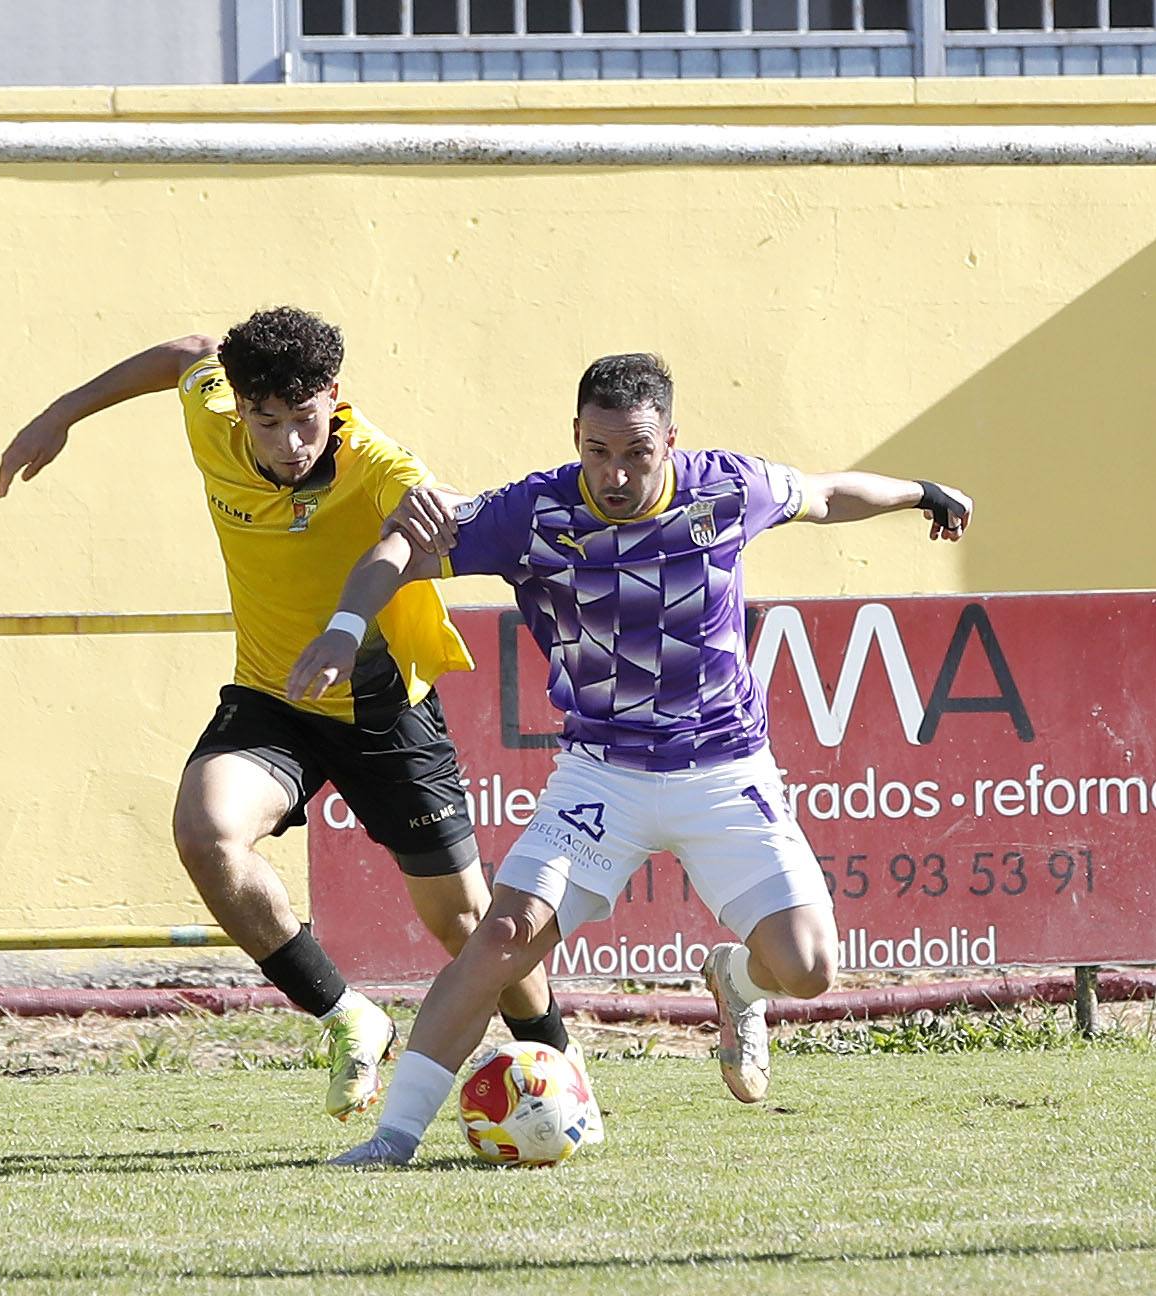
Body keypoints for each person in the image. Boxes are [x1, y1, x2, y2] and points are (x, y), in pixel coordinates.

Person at [288, 351, 973, 1165]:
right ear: (576, 437)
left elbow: (825, 495)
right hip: (601, 776)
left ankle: (738, 983)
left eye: (636, 453)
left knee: (812, 968)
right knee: (503, 936)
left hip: (725, 770)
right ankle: (392, 1140)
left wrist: (924, 493)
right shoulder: (531, 513)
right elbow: (399, 550)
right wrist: (342, 626)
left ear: (671, 442)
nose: (614, 474)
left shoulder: (728, 488)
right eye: (598, 451)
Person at [0, 306, 586, 1126]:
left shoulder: (375, 460)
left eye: (304, 419)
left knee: (466, 926)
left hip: (385, 710)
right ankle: (351, 1018)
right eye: (265, 421)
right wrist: (59, 414)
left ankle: (557, 1061)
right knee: (206, 834)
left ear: (333, 398)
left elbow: (423, 500)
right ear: (238, 407)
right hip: (273, 698)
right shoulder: (214, 417)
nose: (288, 442)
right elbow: (188, 351)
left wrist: (432, 508)